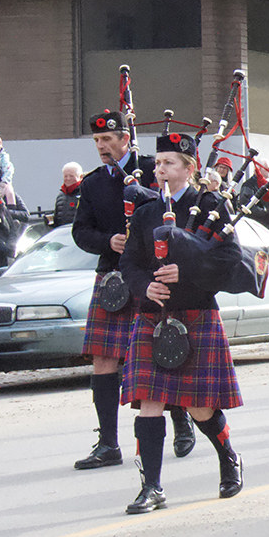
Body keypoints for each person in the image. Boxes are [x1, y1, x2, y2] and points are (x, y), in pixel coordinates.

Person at [118, 131, 247, 514]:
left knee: (199, 407)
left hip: (195, 311)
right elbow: (130, 263)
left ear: (189, 168)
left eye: (168, 163)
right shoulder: (144, 213)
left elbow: (229, 259)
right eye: (157, 163)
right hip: (153, 317)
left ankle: (227, 456)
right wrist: (145, 287)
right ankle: (152, 487)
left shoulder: (208, 206)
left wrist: (186, 270)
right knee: (150, 402)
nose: (159, 170)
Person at [71, 110, 194, 470]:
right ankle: (108, 443)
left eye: (107, 140)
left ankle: (182, 421)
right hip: (112, 275)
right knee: (103, 359)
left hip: (150, 275)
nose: (101, 147)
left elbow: (174, 209)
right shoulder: (92, 183)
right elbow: (81, 232)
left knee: (163, 352)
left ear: (125, 139)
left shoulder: (153, 167)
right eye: (96, 141)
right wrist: (109, 240)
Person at [50, 163, 83, 227]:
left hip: (80, 234)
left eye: (71, 176)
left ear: (80, 177)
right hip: (63, 234)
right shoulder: (61, 196)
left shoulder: (86, 193)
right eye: (65, 176)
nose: (68, 179)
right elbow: (57, 219)